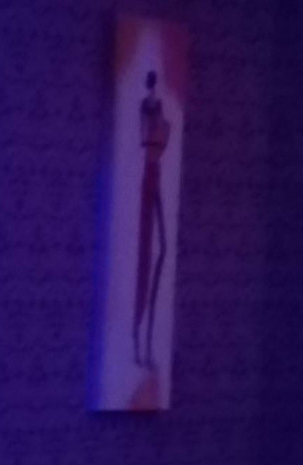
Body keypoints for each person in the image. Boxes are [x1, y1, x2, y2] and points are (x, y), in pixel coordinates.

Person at [131, 68, 172, 371]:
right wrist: (161, 129)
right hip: (149, 176)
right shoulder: (146, 110)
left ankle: (145, 339)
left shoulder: (157, 109)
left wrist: (163, 130)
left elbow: (162, 137)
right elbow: (152, 137)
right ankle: (140, 341)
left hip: (155, 175)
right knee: (148, 253)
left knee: (163, 249)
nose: (153, 89)